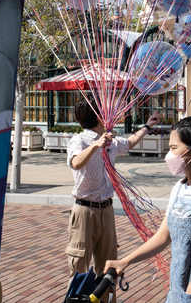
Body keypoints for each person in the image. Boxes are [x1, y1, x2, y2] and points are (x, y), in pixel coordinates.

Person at [105, 114, 191, 303]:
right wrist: (125, 261)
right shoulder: (180, 188)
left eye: (174, 148)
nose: (169, 155)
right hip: (177, 294)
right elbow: (163, 236)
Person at [66, 97, 160, 280]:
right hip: (85, 210)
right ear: (99, 116)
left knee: (108, 266)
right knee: (79, 267)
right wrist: (95, 145)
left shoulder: (110, 141)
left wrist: (147, 126)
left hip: (106, 209)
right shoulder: (80, 140)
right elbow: (76, 162)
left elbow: (130, 142)